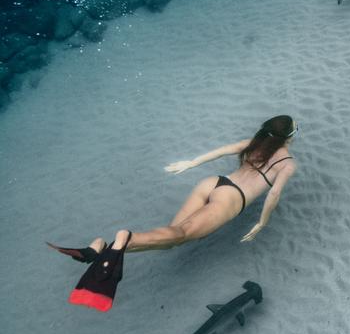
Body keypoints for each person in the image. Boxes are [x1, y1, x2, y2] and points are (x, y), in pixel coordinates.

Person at [48, 115, 297, 311]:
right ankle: (126, 236)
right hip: (231, 200)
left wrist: (189, 163)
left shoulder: (254, 144)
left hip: (213, 182)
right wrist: (261, 223)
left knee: (170, 238)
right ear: (289, 137)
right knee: (181, 235)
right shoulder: (287, 163)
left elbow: (222, 150)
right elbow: (273, 195)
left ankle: (103, 247)